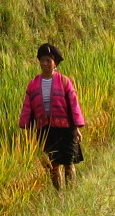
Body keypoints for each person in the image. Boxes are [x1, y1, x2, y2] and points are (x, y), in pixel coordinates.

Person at [19, 42, 85, 191]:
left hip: (66, 128)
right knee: (53, 166)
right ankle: (60, 196)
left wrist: (76, 128)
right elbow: (27, 107)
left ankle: (71, 193)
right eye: (42, 60)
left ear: (55, 63)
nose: (45, 63)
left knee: (69, 163)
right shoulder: (33, 84)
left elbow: (73, 105)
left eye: (48, 60)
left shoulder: (64, 81)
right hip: (46, 130)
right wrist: (26, 127)